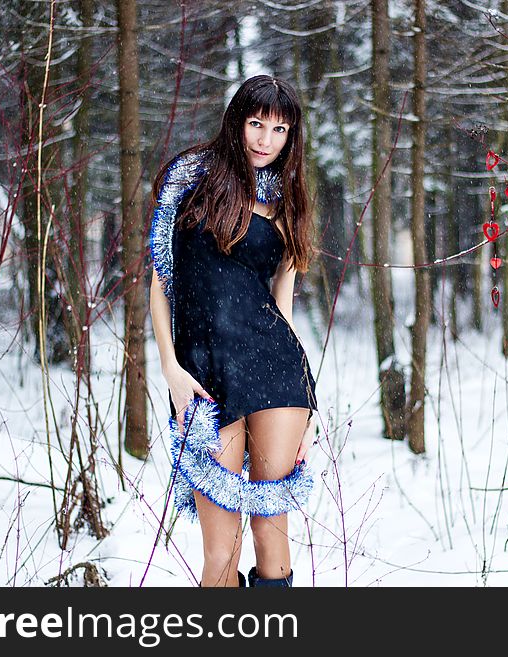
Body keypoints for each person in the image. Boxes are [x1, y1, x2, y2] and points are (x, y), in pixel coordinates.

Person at [149, 75, 318, 588]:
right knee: (220, 551)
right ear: (237, 122)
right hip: (204, 376)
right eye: (256, 124)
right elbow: (161, 282)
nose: (266, 139)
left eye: (280, 129)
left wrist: (310, 406)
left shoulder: (287, 205)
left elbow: (283, 308)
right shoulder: (191, 181)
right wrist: (170, 368)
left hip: (275, 374)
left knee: (272, 532)